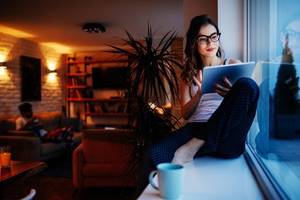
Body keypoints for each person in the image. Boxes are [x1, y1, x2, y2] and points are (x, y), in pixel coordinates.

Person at [147, 14, 259, 167]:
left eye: (214, 36)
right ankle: (199, 142)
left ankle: (198, 142)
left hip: (227, 134)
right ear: (194, 43)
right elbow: (185, 114)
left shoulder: (233, 63)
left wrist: (232, 96)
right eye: (203, 38)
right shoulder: (188, 74)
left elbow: (248, 101)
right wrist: (199, 94)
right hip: (196, 128)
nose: (210, 42)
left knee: (249, 85)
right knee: (154, 154)